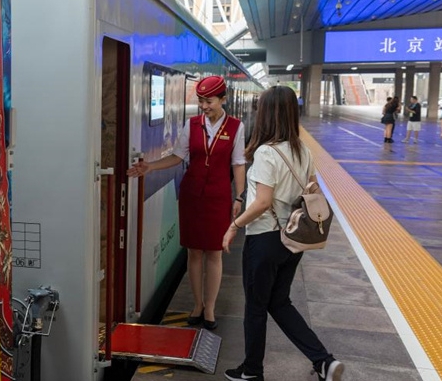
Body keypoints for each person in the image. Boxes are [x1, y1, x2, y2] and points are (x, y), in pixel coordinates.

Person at [221, 85, 344, 381]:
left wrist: (234, 226)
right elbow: (312, 189)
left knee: (255, 307)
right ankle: (324, 361)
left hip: (265, 239)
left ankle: (252, 371)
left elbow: (262, 202)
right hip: (293, 239)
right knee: (278, 302)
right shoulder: (303, 151)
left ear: (266, 114)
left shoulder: (266, 152)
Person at [127, 75, 246, 330]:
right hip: (191, 196)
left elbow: (238, 164)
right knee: (193, 252)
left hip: (218, 197)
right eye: (201, 101)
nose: (203, 106)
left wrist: (239, 195)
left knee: (214, 252)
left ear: (223, 99)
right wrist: (150, 166)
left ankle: (210, 307)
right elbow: (177, 157)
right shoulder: (191, 125)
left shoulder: (236, 127)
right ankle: (197, 305)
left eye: (209, 101)